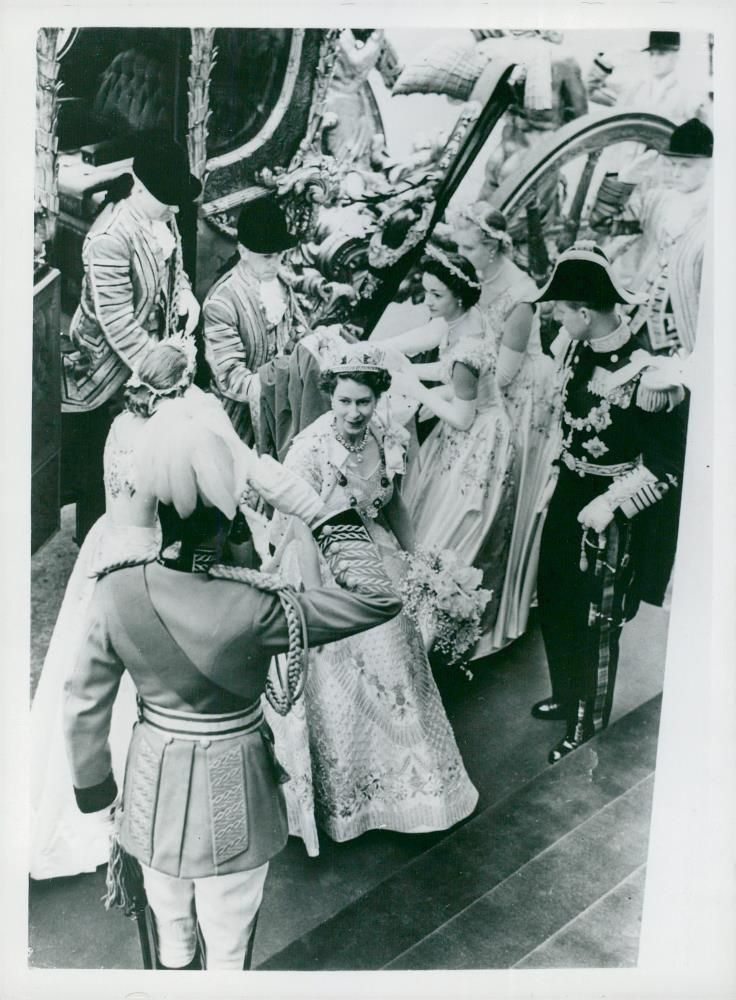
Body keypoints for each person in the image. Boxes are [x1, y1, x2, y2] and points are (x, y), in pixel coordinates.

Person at [62, 388, 405, 970]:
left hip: (150, 794)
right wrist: (316, 510)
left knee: (170, 935)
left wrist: (97, 794)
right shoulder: (260, 607)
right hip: (237, 792)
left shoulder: (115, 590)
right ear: (230, 525)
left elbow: (81, 705)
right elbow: (379, 597)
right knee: (229, 940)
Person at [31, 338, 330, 882]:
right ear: (184, 384)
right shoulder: (187, 427)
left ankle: (100, 800)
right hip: (158, 564)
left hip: (108, 552)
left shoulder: (121, 424)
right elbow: (254, 474)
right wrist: (322, 513)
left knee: (91, 686)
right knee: (176, 681)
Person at [265, 344, 479, 855]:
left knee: (398, 665)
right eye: (343, 402)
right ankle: (346, 801)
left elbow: (394, 502)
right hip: (319, 560)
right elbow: (299, 529)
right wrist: (318, 607)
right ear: (330, 398)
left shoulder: (386, 435)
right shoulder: (310, 450)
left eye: (363, 401)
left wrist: (419, 559)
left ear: (378, 397)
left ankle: (413, 794)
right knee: (338, 679)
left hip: (374, 554)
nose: (354, 412)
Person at [528, 243, 688, 764]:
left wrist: (612, 506)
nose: (553, 318)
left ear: (584, 313)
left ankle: (587, 721)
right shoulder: (575, 349)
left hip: (612, 512)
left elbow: (666, 467)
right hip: (569, 491)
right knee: (553, 596)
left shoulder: (648, 377)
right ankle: (566, 693)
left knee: (595, 620)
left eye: (559, 310)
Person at [60, 133, 202, 541]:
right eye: (169, 198)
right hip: (104, 370)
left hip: (155, 350)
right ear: (139, 187)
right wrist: (163, 374)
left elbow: (175, 267)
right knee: (105, 471)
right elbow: (117, 323)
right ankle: (100, 547)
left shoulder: (162, 213)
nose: (176, 207)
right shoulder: (109, 238)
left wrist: (185, 294)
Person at [389, 247, 518, 645]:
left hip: (477, 437)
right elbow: (449, 373)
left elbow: (463, 414)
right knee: (432, 510)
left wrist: (414, 388)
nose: (427, 302)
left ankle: (430, 628)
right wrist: (406, 367)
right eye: (426, 292)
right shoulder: (466, 319)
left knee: (452, 521)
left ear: (457, 296)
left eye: (435, 295)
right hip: (474, 425)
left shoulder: (467, 349)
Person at [453, 204, 559, 653]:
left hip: (518, 398)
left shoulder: (521, 292)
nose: (461, 252)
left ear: (493, 247)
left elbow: (505, 374)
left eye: (468, 246)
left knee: (506, 492)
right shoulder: (473, 277)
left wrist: (451, 390)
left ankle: (502, 602)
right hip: (478, 384)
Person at [202, 196, 310, 445]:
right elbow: (229, 377)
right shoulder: (221, 303)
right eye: (267, 256)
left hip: (282, 412)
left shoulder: (280, 283)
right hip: (237, 421)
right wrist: (282, 387)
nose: (275, 264)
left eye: (279, 255)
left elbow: (299, 330)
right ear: (243, 252)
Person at [607, 119, 713, 356]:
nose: (675, 173)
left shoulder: (718, 215)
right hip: (637, 313)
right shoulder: (657, 200)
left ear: (709, 166)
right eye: (671, 164)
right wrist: (624, 183)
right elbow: (607, 224)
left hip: (684, 327)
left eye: (685, 166)